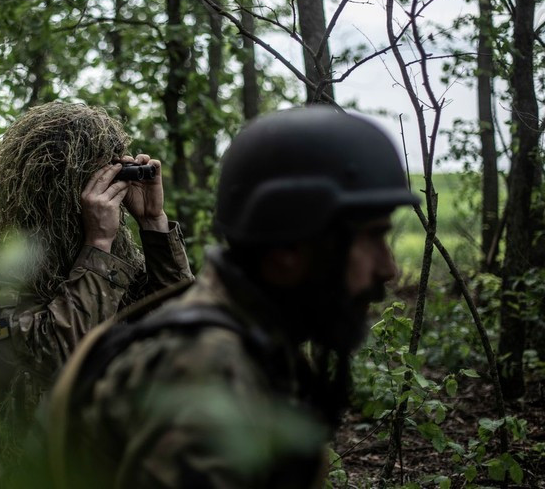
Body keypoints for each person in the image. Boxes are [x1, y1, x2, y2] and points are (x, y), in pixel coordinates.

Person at [46, 106, 419, 489]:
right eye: (373, 237)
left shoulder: (252, 339)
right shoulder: (203, 376)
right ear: (289, 248)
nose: (388, 268)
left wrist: (154, 225)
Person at [0, 102, 193, 486]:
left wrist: (153, 224)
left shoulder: (115, 254)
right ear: (53, 188)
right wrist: (97, 243)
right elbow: (54, 356)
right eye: (95, 179)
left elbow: (177, 325)